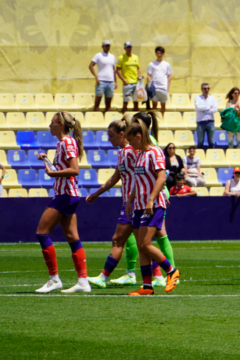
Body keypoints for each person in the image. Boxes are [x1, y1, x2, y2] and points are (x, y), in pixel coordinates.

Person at [32, 113, 90, 293]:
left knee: (42, 233)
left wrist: (51, 174)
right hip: (68, 193)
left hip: (66, 194)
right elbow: (61, 169)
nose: (50, 125)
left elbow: (74, 170)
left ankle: (54, 278)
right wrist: (47, 160)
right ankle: (83, 281)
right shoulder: (63, 143)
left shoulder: (66, 142)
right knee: (72, 237)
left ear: (61, 125)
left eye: (53, 123)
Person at [124, 121, 181, 295]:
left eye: (131, 140)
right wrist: (130, 200)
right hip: (140, 205)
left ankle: (171, 271)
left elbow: (161, 178)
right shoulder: (140, 154)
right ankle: (147, 286)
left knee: (144, 244)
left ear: (139, 136)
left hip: (153, 205)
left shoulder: (154, 152)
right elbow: (137, 180)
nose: (129, 144)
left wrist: (150, 200)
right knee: (142, 246)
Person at [85, 118, 143, 289]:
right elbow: (115, 177)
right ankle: (104, 277)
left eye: (111, 135)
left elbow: (145, 175)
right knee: (119, 240)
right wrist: (97, 193)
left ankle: (165, 273)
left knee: (139, 242)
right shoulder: (122, 153)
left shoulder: (133, 151)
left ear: (122, 134)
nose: (108, 139)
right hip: (128, 203)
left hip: (136, 203)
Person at [89, 40, 117, 113]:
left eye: (108, 45)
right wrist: (96, 77)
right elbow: (91, 66)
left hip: (110, 82)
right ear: (102, 47)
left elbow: (113, 70)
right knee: (97, 104)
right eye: (106, 45)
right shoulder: (98, 55)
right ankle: (96, 120)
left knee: (108, 104)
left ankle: (108, 122)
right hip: (101, 81)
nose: (107, 47)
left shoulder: (112, 56)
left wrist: (115, 81)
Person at [116, 41, 141, 115]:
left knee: (136, 104)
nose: (129, 48)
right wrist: (124, 80)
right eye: (127, 47)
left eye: (130, 47)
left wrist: (139, 77)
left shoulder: (136, 57)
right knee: (125, 103)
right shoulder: (121, 58)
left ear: (132, 47)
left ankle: (136, 120)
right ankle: (123, 119)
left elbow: (138, 68)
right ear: (124, 48)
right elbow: (117, 70)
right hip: (127, 84)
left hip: (136, 83)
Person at [145, 46, 172, 114]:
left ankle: (162, 120)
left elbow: (169, 77)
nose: (159, 55)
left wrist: (167, 88)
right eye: (158, 53)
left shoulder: (167, 64)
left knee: (163, 106)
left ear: (163, 54)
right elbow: (148, 75)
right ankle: (155, 121)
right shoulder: (151, 64)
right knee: (154, 106)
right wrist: (149, 86)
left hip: (163, 88)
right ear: (155, 53)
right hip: (155, 88)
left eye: (161, 53)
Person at [193, 83, 218, 150]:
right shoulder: (197, 98)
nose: (206, 90)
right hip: (201, 121)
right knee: (200, 141)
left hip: (210, 121)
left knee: (212, 141)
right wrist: (209, 108)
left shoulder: (212, 98)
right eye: (205, 88)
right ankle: (200, 155)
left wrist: (204, 109)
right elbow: (198, 107)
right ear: (201, 89)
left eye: (208, 88)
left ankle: (211, 156)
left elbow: (215, 109)